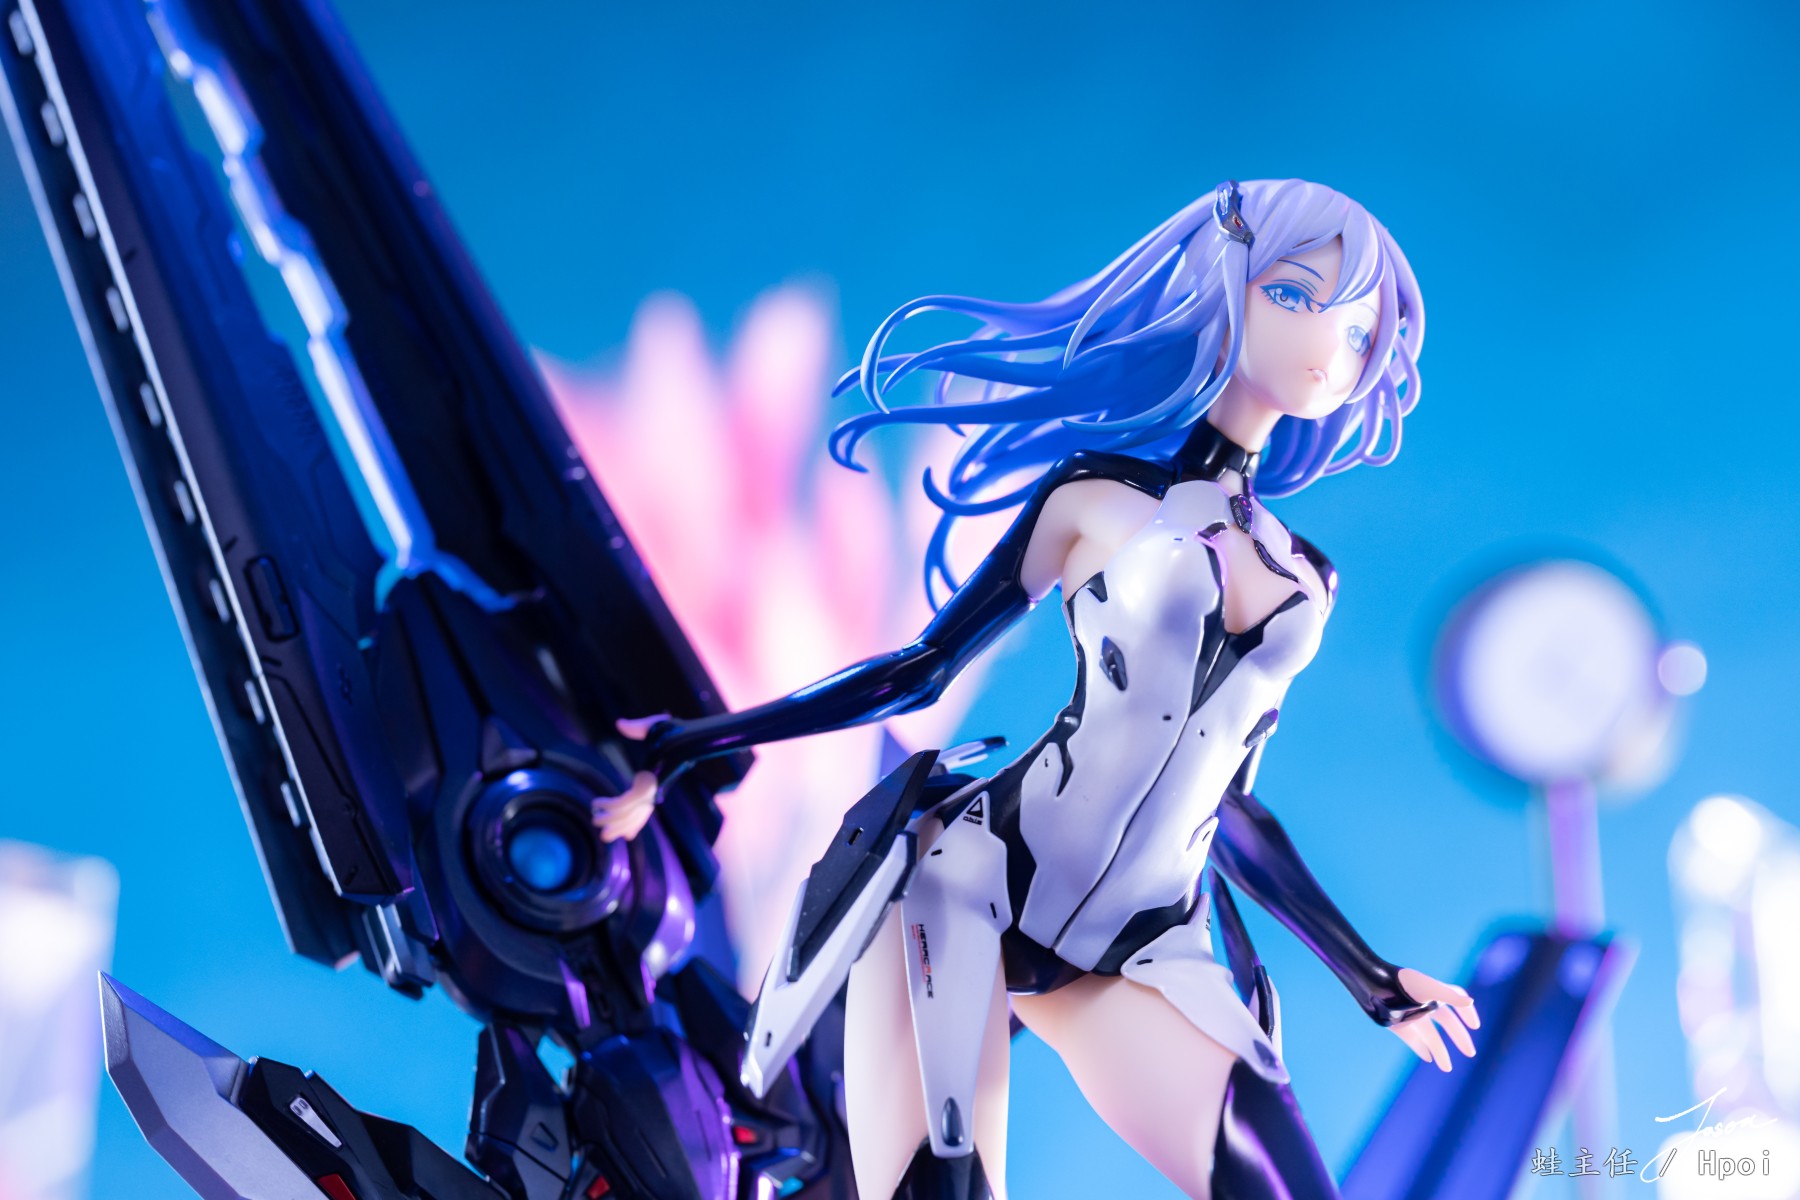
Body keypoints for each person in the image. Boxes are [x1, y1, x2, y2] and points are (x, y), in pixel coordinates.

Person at [599, 179, 1479, 1200]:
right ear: (1224, 283)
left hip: (1147, 940)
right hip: (975, 883)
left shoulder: (1307, 579)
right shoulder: (1097, 497)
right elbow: (920, 670)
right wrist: (682, 747)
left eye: (1360, 328)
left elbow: (1230, 807)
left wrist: (1376, 983)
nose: (1330, 345)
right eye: (1294, 295)